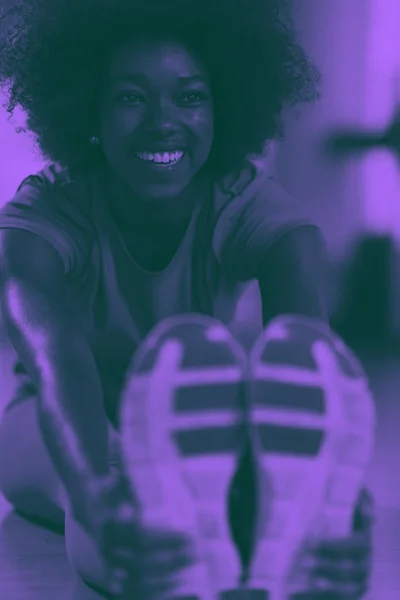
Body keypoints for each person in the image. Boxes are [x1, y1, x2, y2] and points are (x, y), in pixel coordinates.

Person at [0, 0, 373, 597]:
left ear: (224, 106)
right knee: (117, 487)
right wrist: (99, 495)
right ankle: (167, 562)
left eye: (190, 96)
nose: (163, 121)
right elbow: (57, 364)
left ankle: (251, 560)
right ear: (87, 109)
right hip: (60, 424)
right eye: (130, 98)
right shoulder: (42, 216)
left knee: (245, 481)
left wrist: (336, 503)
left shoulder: (254, 211)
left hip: (198, 421)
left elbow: (311, 383)